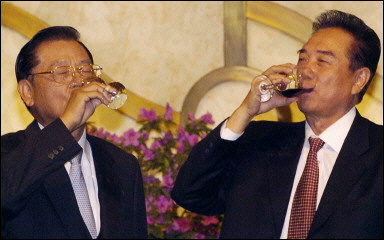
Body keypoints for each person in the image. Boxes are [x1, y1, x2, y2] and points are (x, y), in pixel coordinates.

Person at [171, 10, 382, 239]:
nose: (305, 70)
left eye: (322, 61)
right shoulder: (260, 141)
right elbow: (190, 193)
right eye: (302, 59)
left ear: (359, 79)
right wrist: (245, 112)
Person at [1, 26, 148, 239]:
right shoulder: (10, 154)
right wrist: (66, 123)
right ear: (27, 93)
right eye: (61, 72)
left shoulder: (122, 164)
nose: (78, 82)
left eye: (85, 70)